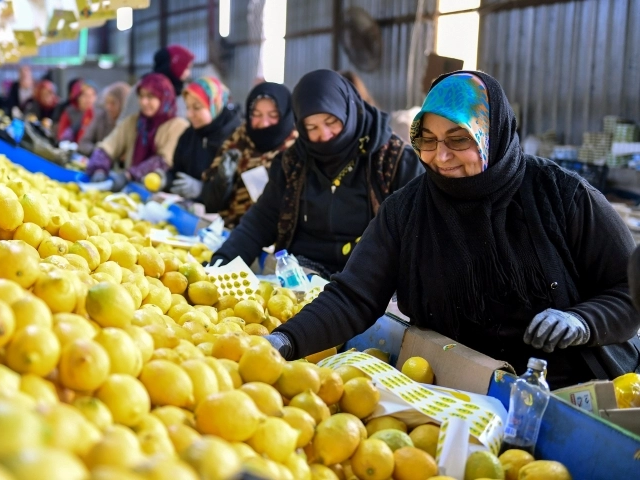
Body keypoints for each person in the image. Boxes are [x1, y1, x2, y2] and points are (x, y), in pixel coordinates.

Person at [264, 71, 640, 389]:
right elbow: (353, 297)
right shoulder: (407, 211)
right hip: (459, 389)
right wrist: (284, 340)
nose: (440, 157)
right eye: (427, 140)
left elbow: (627, 289)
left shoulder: (561, 196)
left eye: (459, 139)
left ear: (490, 134)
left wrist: (583, 320)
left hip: (569, 391)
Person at [210, 69, 424, 278]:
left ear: (348, 111)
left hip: (368, 281)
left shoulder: (394, 162)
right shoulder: (294, 162)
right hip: (301, 275)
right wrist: (219, 265)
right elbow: (260, 221)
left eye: (331, 122)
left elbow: (419, 235)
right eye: (311, 128)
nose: (324, 135)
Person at [200, 82, 298, 228]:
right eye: (256, 115)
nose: (264, 123)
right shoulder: (237, 141)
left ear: (286, 114)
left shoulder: (296, 151)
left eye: (273, 115)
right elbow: (210, 203)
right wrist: (222, 181)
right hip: (226, 232)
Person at [86, 73, 188, 187]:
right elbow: (108, 146)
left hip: (161, 194)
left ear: (164, 98)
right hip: (131, 190)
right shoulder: (133, 122)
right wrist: (99, 169)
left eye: (150, 97)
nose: (144, 102)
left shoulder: (177, 126)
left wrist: (129, 175)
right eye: (141, 96)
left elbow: (163, 162)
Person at [165, 77, 242, 201]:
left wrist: (202, 190)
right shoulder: (189, 134)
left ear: (215, 105)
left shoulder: (235, 138)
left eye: (197, 108)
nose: (189, 114)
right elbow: (177, 172)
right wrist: (166, 180)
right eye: (187, 107)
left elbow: (237, 190)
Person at [119, 44, 195, 124]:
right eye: (186, 68)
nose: (189, 74)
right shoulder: (143, 88)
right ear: (175, 67)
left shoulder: (182, 92)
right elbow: (124, 122)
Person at [78, 82, 131, 156]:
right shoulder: (101, 117)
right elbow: (84, 142)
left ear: (123, 103)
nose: (108, 107)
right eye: (107, 102)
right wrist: (100, 153)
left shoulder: (130, 123)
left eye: (113, 103)